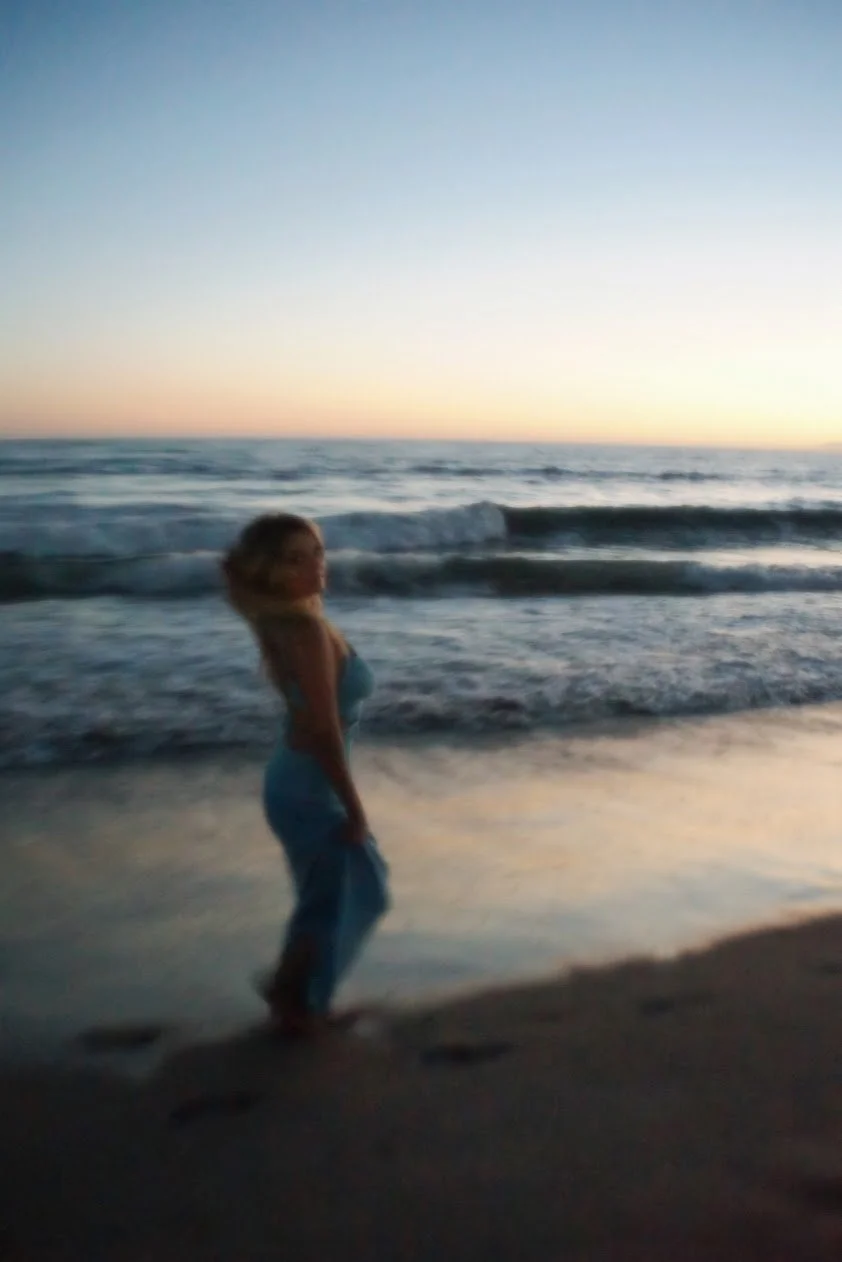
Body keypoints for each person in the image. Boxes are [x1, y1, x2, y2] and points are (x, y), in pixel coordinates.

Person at [221, 512, 389, 1036]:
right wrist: (354, 805)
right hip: (306, 787)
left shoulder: (291, 622)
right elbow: (321, 730)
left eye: (316, 551)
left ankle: (293, 998)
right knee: (355, 889)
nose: (315, 564)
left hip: (296, 783)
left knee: (330, 894)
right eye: (296, 558)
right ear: (272, 572)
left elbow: (317, 725)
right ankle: (299, 1004)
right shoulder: (306, 629)